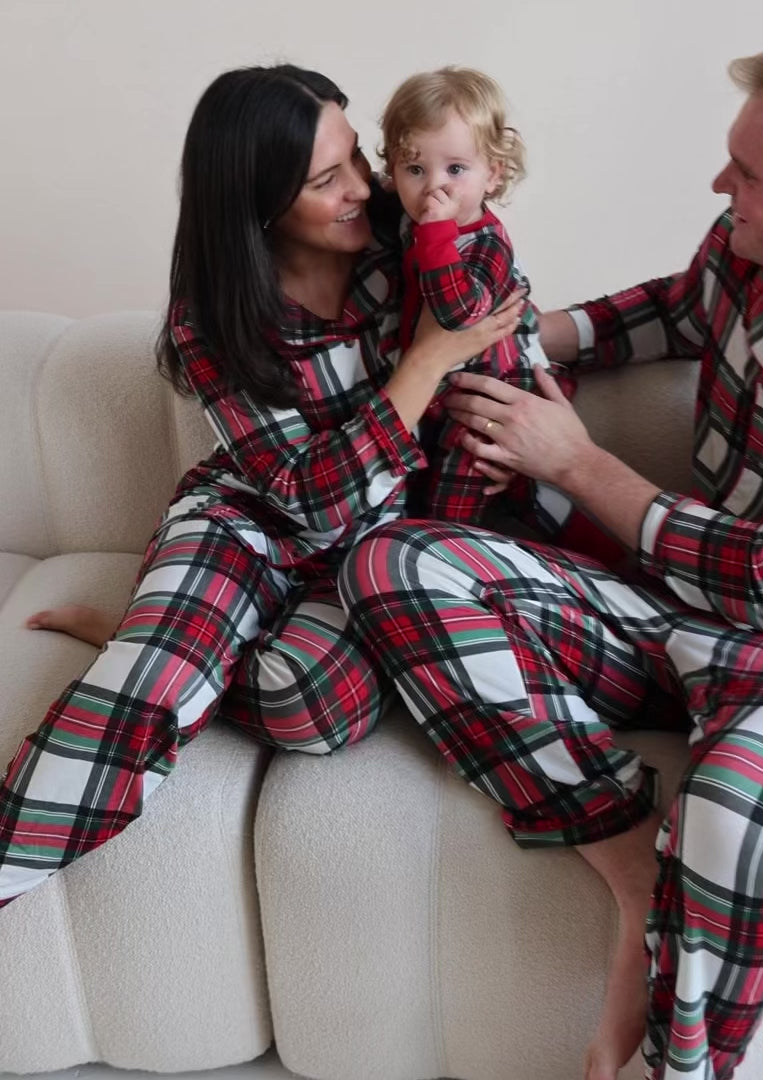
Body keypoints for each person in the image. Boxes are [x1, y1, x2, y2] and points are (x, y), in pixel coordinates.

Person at [338, 27, 763, 1080]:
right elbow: (669, 310)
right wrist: (515, 338)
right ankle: (626, 861)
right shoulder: (745, 252)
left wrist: (577, 463)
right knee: (392, 564)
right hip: (679, 609)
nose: (718, 183)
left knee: (735, 811)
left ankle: (670, 1066)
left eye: (746, 170)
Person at [0, 62, 521, 908]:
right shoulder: (210, 319)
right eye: (326, 180)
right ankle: (164, 656)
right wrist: (426, 361)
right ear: (260, 203)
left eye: (359, 158)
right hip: (249, 517)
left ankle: (179, 652)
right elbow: (310, 495)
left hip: (371, 553)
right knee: (143, 686)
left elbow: (505, 312)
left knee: (316, 705)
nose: (364, 187)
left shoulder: (411, 241)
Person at [380, 65, 621, 562]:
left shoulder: (485, 244)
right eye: (415, 169)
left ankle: (615, 562)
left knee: (451, 515)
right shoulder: (415, 219)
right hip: (442, 396)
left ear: (493, 173)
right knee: (504, 497)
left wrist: (435, 235)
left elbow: (458, 313)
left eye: (455, 169)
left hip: (488, 405)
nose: (435, 188)